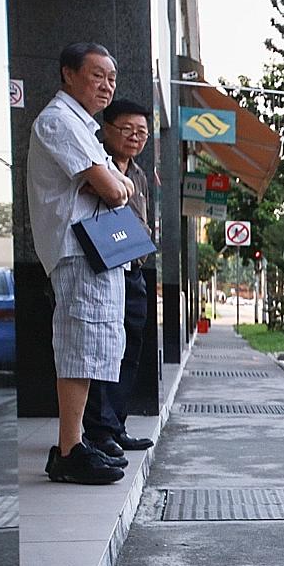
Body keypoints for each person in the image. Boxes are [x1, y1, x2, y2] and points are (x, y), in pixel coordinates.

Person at [26, 42, 134, 485]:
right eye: (97, 75)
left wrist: (112, 182)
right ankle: (69, 450)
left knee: (93, 347)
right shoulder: (59, 120)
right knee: (78, 347)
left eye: (112, 77)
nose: (107, 86)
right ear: (68, 74)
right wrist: (111, 183)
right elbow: (113, 190)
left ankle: (76, 443)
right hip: (78, 250)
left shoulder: (84, 126)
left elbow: (119, 183)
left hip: (93, 251)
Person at [81, 98, 154, 460]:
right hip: (105, 270)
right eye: (126, 129)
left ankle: (116, 425)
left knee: (129, 352)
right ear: (105, 128)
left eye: (141, 131)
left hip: (134, 271)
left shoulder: (139, 174)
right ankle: (99, 431)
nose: (135, 137)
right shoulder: (97, 165)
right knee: (103, 352)